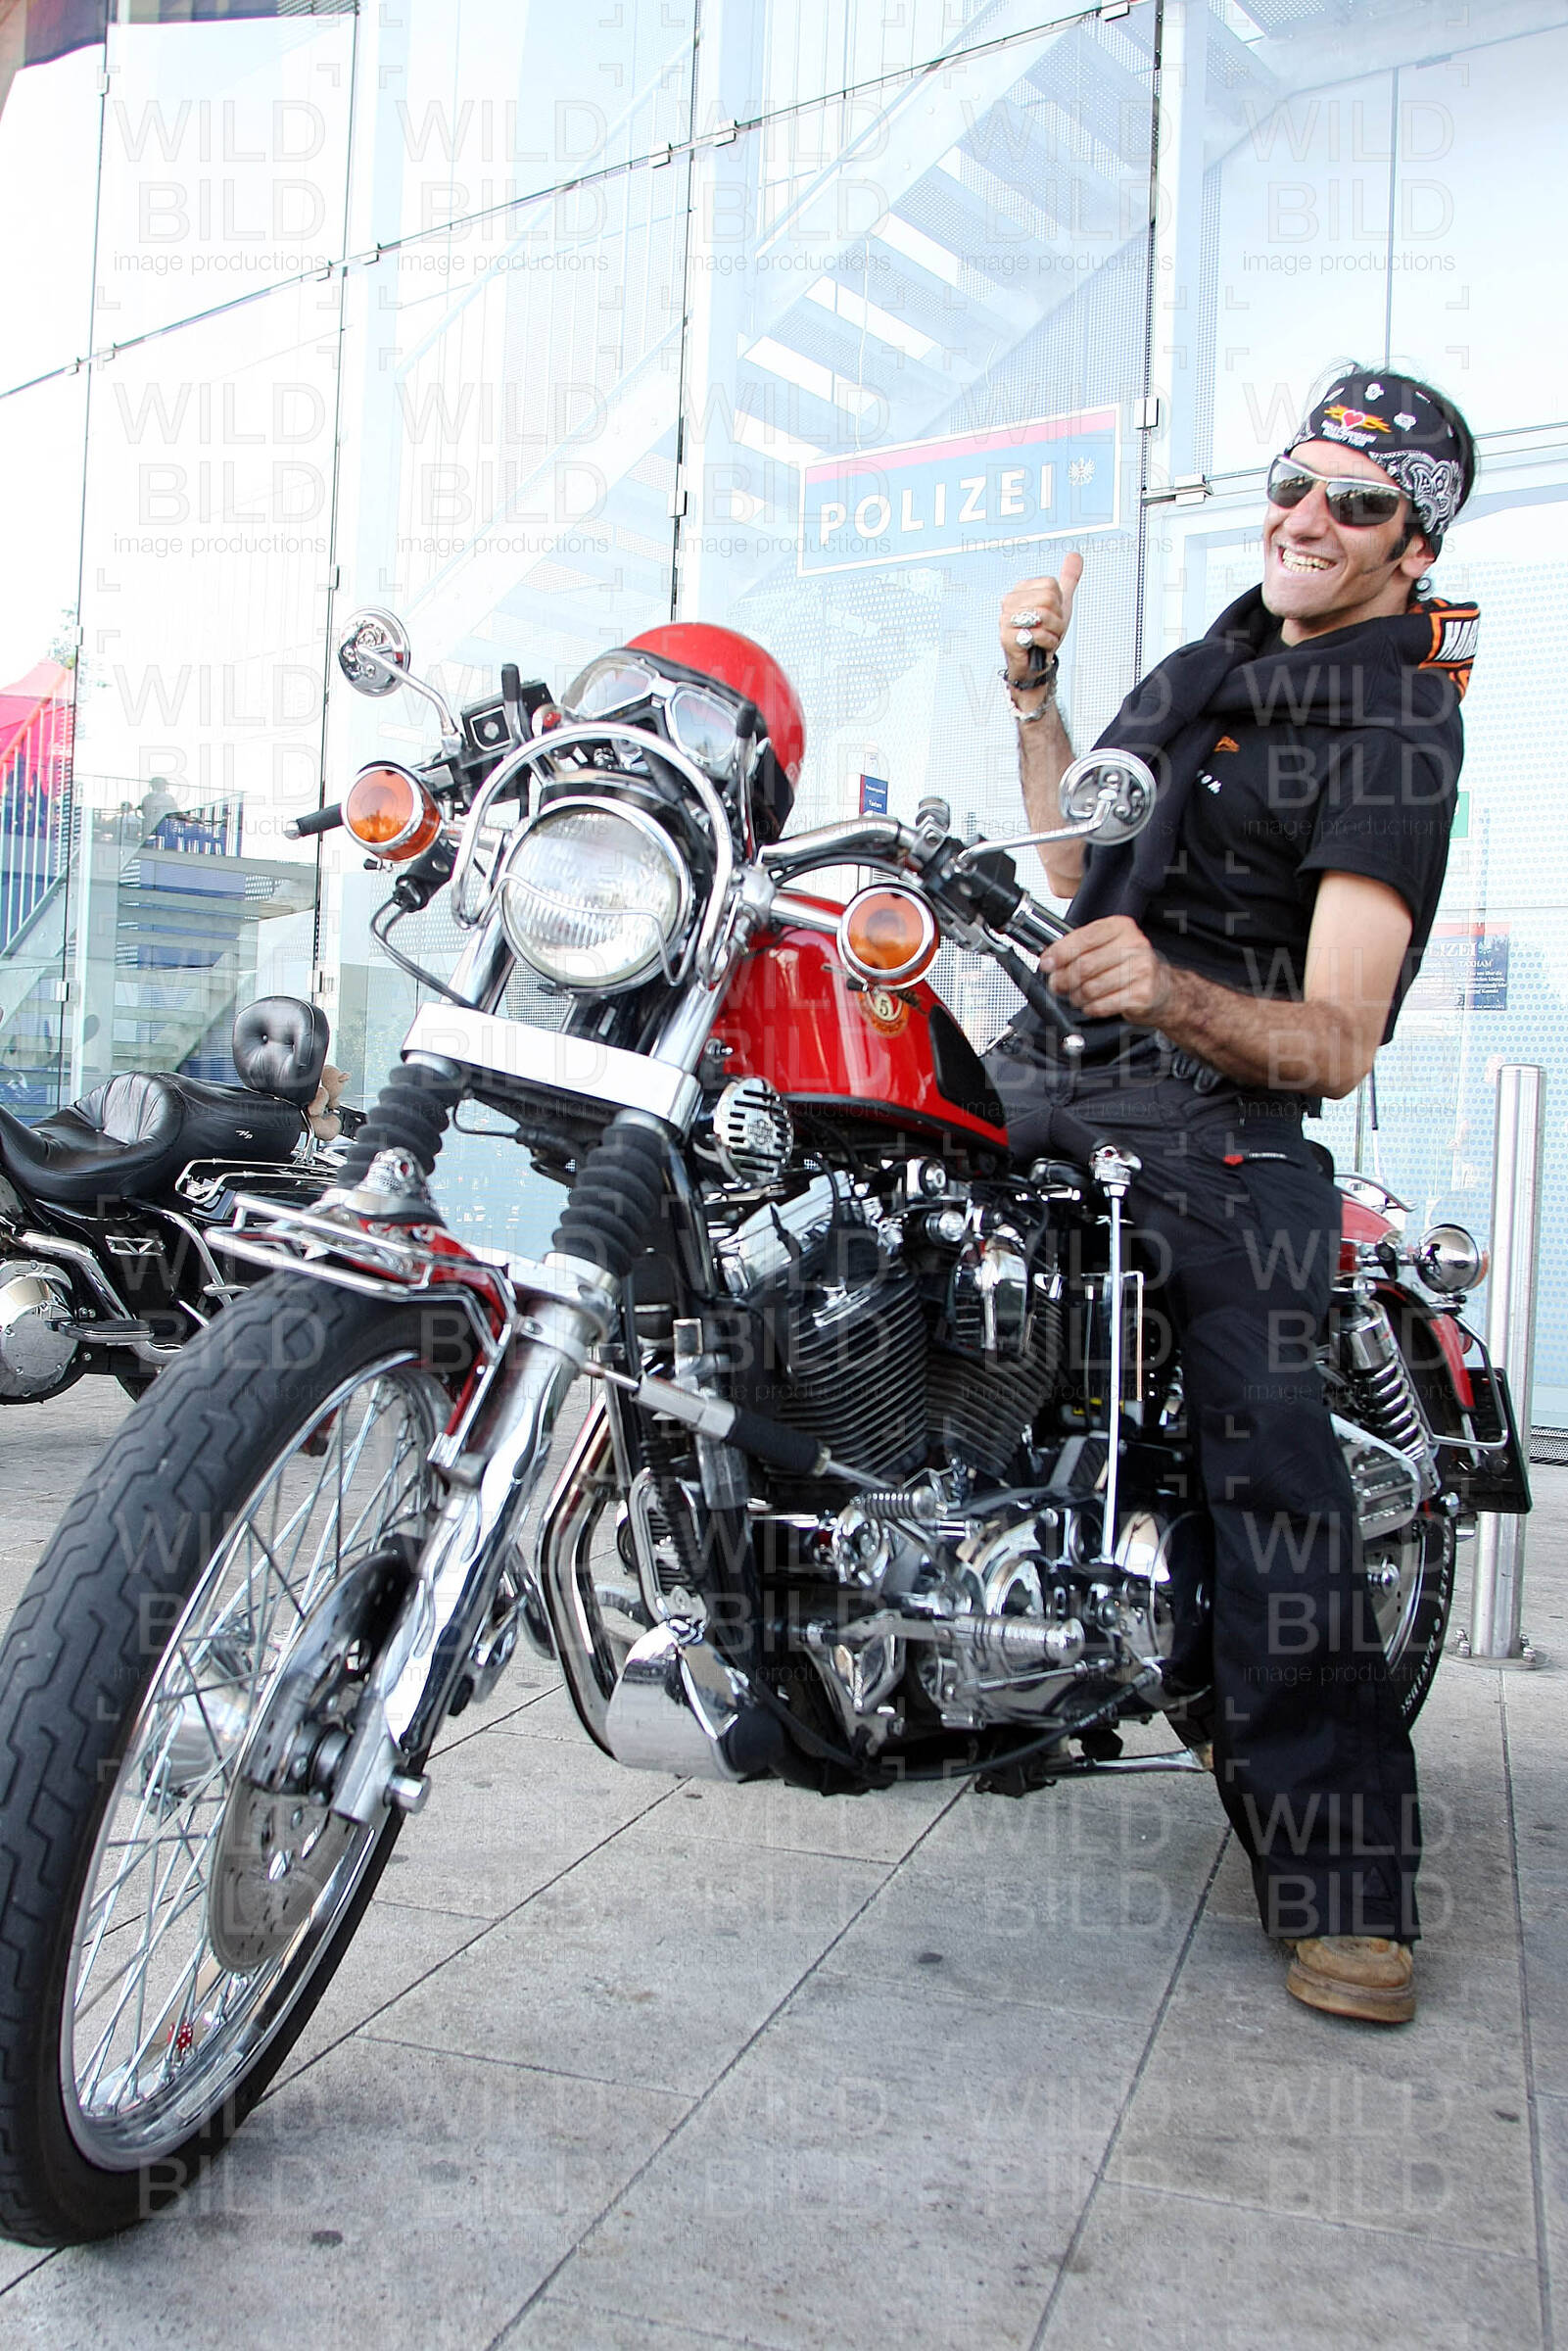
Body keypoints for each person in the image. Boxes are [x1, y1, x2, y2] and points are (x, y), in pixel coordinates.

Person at [986, 367, 1478, 2025]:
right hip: (1051, 1073)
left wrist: (1170, 994)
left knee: (1267, 1460)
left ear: (1412, 546)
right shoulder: (1196, 671)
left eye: (1356, 501)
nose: (1306, 517)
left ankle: (1344, 1883)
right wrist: (1033, 698)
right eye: (1292, 482)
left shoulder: (1399, 723)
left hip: (1225, 1122)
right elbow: (1078, 868)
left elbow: (1333, 1036)